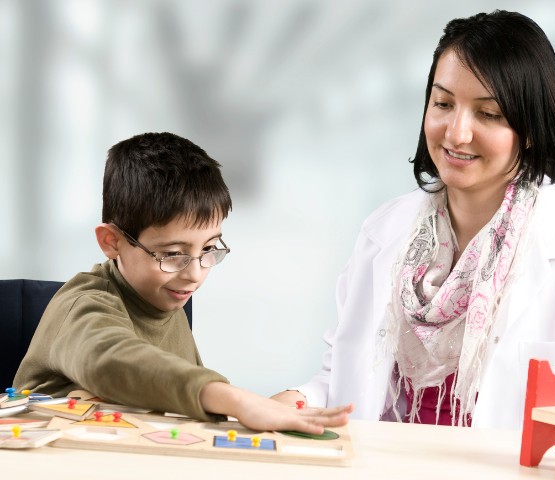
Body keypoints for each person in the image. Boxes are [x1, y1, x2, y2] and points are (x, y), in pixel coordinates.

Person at [272, 10, 555, 428]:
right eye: (443, 104)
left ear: (530, 127)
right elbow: (346, 379)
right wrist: (292, 401)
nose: (456, 133)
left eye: (488, 114)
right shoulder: (384, 231)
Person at [14, 132, 351, 434]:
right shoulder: (83, 305)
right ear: (111, 241)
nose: (195, 274)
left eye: (208, 249)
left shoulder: (164, 298)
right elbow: (109, 360)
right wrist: (234, 400)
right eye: (173, 254)